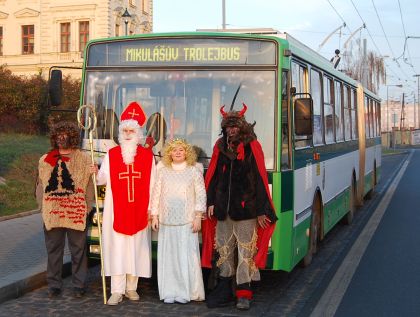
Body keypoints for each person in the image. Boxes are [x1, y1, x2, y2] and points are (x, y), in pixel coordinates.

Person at [202, 103, 277, 310]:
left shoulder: (253, 145)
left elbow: (261, 179)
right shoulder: (220, 146)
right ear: (224, 128)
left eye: (235, 126)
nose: (232, 130)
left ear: (242, 127)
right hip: (223, 210)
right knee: (224, 251)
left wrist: (262, 210)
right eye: (228, 127)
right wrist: (210, 202)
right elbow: (214, 177)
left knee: (246, 252)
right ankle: (225, 289)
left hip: (246, 211)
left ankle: (244, 293)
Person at [96, 102, 156, 306]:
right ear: (121, 132)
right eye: (125, 130)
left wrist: (152, 209)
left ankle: (131, 288)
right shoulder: (111, 155)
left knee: (135, 248)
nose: (129, 133)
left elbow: (154, 184)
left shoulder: (148, 156)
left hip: (140, 210)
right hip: (116, 210)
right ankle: (116, 290)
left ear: (138, 132)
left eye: (132, 130)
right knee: (118, 248)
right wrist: (94, 173)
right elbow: (102, 179)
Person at [36, 121, 94, 298]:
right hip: (53, 212)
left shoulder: (84, 158)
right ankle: (54, 284)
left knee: (78, 250)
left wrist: (87, 207)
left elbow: (89, 185)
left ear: (72, 137)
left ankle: (79, 284)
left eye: (65, 135)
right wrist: (42, 207)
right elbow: (40, 185)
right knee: (54, 250)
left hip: (76, 211)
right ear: (54, 137)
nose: (61, 138)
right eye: (58, 135)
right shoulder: (46, 159)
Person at [150, 139, 206, 304]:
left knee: (185, 257)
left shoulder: (194, 171)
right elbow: (156, 194)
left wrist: (198, 217)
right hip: (167, 222)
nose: (178, 153)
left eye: (181, 150)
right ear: (169, 153)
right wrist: (154, 216)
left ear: (186, 152)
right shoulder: (163, 171)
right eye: (174, 150)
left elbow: (201, 195)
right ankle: (169, 292)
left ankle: (185, 292)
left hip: (187, 222)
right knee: (169, 259)